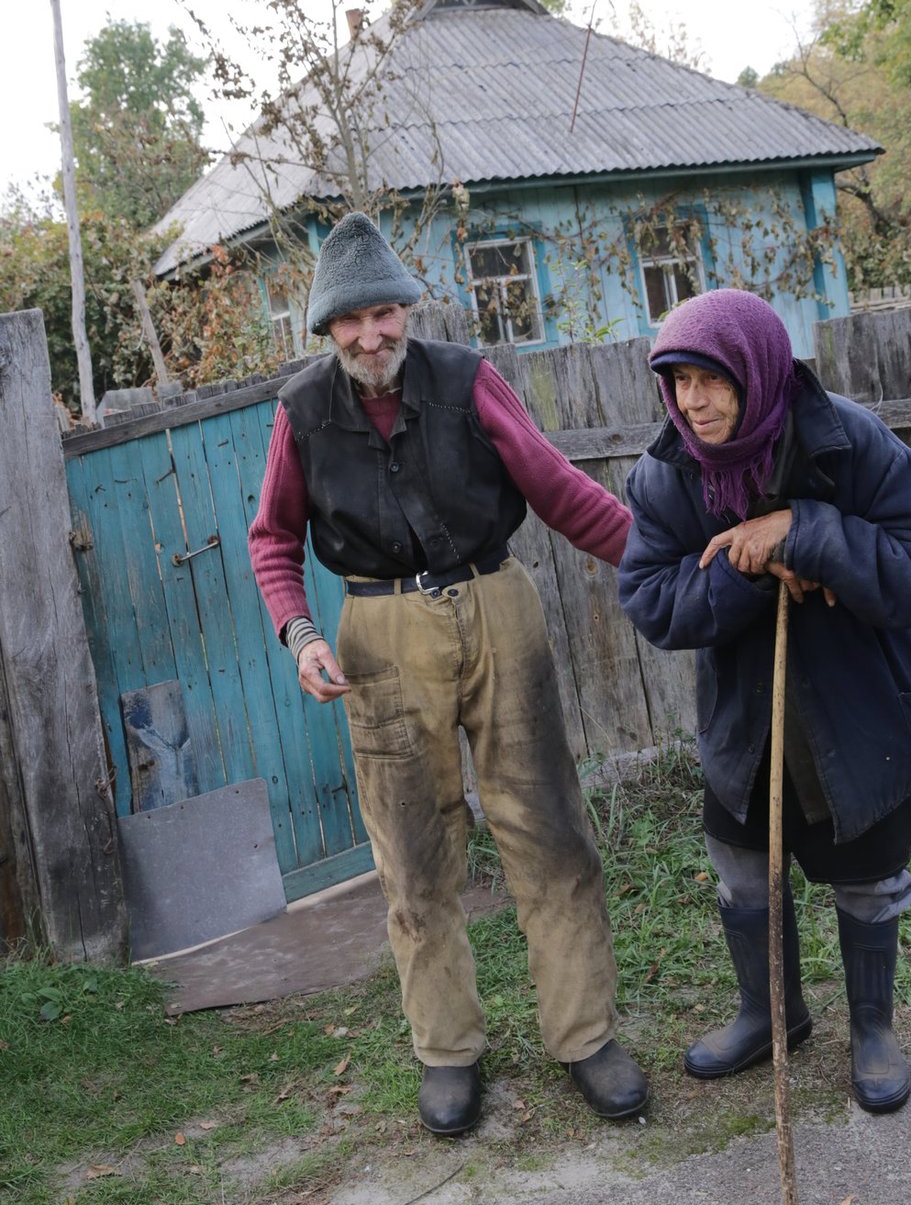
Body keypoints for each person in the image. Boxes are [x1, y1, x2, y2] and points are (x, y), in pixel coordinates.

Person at [249, 211, 648, 1135]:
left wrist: (662, 560)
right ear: (327, 329)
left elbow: (558, 489)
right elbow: (273, 540)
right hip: (377, 638)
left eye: (383, 313)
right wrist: (301, 634)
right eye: (349, 322)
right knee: (413, 851)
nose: (370, 335)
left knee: (549, 826)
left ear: (405, 308)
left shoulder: (470, 381)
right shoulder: (303, 412)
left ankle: (586, 1036)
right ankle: (447, 1050)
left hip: (498, 607)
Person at [618, 287, 911, 1114]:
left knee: (869, 876)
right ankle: (772, 1013)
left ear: (754, 369)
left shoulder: (851, 443)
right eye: (676, 382)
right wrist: (753, 563)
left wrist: (807, 530)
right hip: (748, 713)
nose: (692, 402)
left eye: (710, 380)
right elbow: (652, 599)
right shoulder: (668, 475)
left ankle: (873, 1027)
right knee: (744, 872)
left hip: (860, 702)